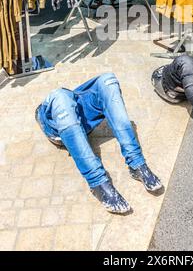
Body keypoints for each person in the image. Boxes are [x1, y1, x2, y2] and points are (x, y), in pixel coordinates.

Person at [35, 73, 162, 215]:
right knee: (59, 96)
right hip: (56, 122)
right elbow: (60, 100)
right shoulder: (53, 109)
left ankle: (137, 164)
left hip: (76, 109)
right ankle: (98, 182)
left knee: (107, 80)